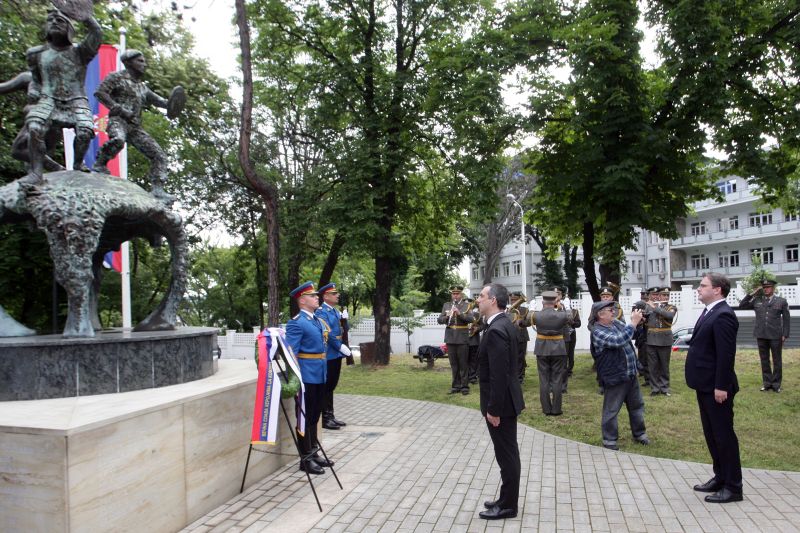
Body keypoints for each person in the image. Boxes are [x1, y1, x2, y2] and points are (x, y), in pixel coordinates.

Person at [92, 49, 181, 203]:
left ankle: (158, 190)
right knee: (118, 140)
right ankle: (100, 163)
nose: (144, 64)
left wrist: (174, 104)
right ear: (128, 62)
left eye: (144, 61)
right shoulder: (116, 77)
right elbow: (100, 93)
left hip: (135, 127)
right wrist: (116, 107)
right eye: (140, 61)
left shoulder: (142, 87)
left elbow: (161, 102)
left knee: (159, 155)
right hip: (118, 121)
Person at [686, 273, 743, 503]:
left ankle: (733, 487)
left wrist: (721, 386)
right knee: (712, 435)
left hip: (716, 388)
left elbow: (726, 355)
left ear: (718, 289)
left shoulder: (723, 315)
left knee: (723, 436)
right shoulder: (710, 311)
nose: (698, 289)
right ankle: (720, 477)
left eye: (703, 286)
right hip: (705, 385)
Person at [25, 8, 101, 179]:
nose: (54, 23)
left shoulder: (80, 52)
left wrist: (84, 16)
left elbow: (96, 33)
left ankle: (77, 164)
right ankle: (36, 171)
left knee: (85, 131)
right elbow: (37, 80)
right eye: (51, 20)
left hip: (76, 101)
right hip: (48, 99)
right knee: (35, 128)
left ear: (69, 29)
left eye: (60, 21)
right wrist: (34, 91)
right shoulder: (36, 54)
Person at [475, 283, 525, 520]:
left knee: (506, 455)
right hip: (506, 401)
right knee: (507, 453)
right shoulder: (504, 323)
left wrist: (493, 409)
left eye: (481, 296)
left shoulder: (497, 329)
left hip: (501, 405)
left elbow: (499, 374)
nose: (478, 300)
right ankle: (506, 498)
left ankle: (507, 506)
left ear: (493, 300)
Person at [590, 300, 650, 451]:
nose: (613, 311)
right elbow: (618, 340)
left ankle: (640, 434)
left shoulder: (616, 323)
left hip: (630, 373)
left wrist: (640, 323)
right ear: (600, 315)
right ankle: (609, 440)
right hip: (615, 376)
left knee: (637, 406)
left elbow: (633, 334)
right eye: (610, 310)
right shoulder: (597, 331)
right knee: (611, 410)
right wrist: (632, 323)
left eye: (612, 309)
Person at [285, 282, 332, 475]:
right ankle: (305, 459)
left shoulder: (315, 320)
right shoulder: (296, 322)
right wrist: (296, 380)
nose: (317, 298)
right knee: (304, 417)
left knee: (314, 415)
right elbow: (291, 354)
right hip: (307, 376)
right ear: (302, 300)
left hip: (319, 373)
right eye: (312, 296)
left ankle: (313, 451)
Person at [738, 279, 790, 392]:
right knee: (764, 360)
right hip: (761, 335)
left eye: (768, 287)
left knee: (777, 360)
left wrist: (785, 334)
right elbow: (741, 305)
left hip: (776, 335)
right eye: (764, 287)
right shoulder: (757, 300)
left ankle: (776, 385)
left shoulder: (781, 301)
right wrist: (752, 293)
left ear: (773, 288)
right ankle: (767, 383)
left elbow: (786, 319)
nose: (766, 289)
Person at [316, 283, 352, 430]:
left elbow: (345, 329)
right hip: (329, 353)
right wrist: (340, 346)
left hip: (336, 354)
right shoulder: (321, 312)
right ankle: (325, 418)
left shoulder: (335, 311)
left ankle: (330, 415)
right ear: (325, 296)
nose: (337, 295)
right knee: (326, 386)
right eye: (334, 293)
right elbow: (327, 332)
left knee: (332, 386)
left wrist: (345, 319)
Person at [528, 291, 570, 415]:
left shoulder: (536, 315)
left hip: (542, 348)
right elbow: (571, 318)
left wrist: (531, 309)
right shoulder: (562, 315)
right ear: (555, 302)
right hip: (558, 348)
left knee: (544, 379)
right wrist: (566, 307)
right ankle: (556, 410)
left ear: (543, 302)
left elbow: (525, 321)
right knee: (557, 379)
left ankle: (546, 409)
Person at [438, 285, 473, 395]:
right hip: (450, 337)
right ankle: (455, 386)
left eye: (457, 293)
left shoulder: (467, 305)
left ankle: (464, 386)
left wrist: (459, 314)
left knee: (463, 363)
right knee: (454, 364)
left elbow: (471, 319)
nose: (455, 295)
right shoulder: (446, 305)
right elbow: (439, 320)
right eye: (453, 293)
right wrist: (447, 316)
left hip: (462, 337)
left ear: (461, 294)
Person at [645, 287, 678, 396]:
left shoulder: (671, 307)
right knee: (652, 366)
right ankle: (655, 388)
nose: (665, 297)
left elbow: (669, 315)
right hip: (651, 339)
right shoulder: (649, 307)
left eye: (667, 296)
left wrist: (655, 307)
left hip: (664, 340)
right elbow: (645, 319)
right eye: (663, 295)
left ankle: (664, 388)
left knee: (664, 365)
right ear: (658, 296)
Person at [555, 287, 581, 393]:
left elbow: (576, 323)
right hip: (554, 337)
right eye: (555, 293)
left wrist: (571, 321)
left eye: (559, 294)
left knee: (567, 358)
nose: (557, 296)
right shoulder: (548, 308)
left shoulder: (571, 310)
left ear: (562, 296)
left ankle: (563, 384)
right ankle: (554, 383)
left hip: (568, 336)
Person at [507, 291, 530, 383]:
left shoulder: (524, 310)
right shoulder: (507, 310)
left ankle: (520, 377)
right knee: (511, 357)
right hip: (510, 336)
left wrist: (521, 322)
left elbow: (529, 322)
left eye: (515, 300)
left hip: (521, 336)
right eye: (512, 300)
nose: (513, 302)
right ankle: (513, 375)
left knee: (521, 357)